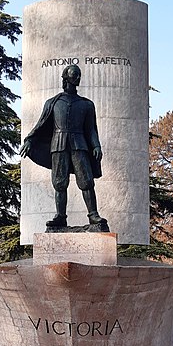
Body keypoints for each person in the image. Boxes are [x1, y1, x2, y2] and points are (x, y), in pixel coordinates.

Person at [20, 64, 107, 229]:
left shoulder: (87, 104)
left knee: (86, 180)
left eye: (79, 75)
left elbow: (91, 129)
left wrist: (96, 146)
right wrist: (30, 140)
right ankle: (60, 216)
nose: (78, 78)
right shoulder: (52, 103)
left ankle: (93, 215)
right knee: (59, 183)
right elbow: (41, 124)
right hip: (58, 145)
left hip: (79, 145)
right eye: (75, 75)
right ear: (66, 77)